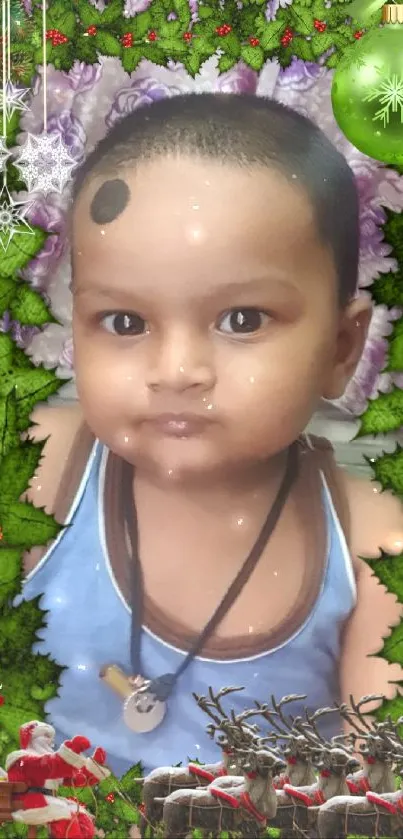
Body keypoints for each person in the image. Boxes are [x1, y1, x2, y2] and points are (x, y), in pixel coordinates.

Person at [20, 93, 403, 778]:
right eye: (124, 323)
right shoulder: (36, 467)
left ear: (342, 347)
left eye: (243, 319)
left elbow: (376, 790)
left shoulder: (375, 554)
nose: (176, 371)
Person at [5, 720, 109, 837]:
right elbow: (45, 766)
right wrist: (71, 751)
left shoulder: (47, 760)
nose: (50, 740)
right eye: (46, 736)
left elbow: (74, 778)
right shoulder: (22, 759)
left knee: (80, 814)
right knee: (62, 813)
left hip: (46, 799)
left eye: (51, 737)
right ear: (31, 738)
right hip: (26, 802)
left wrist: (93, 767)